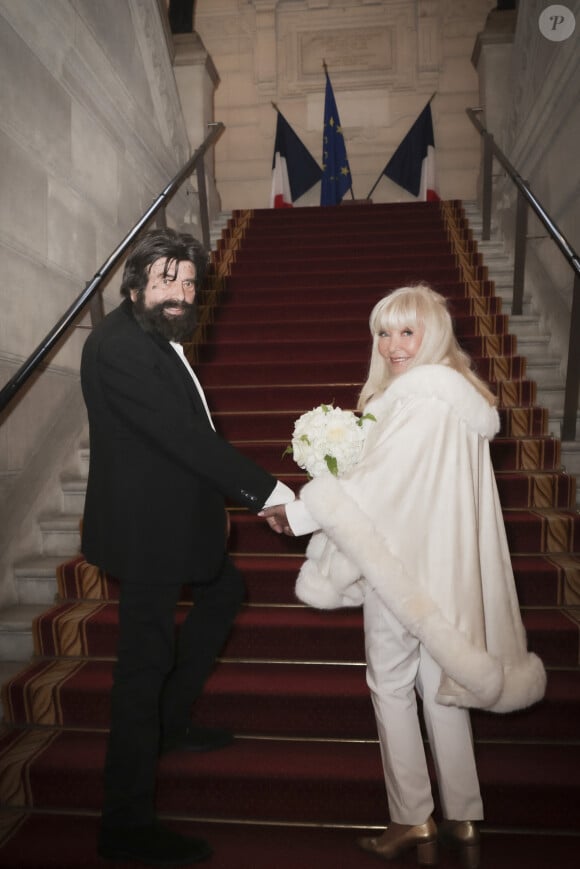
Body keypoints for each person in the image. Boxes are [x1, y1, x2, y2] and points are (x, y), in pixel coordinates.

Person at [261, 284, 546, 867]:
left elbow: (379, 487)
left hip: (404, 570)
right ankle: (463, 819)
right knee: (442, 690)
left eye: (406, 331)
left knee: (389, 683)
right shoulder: (458, 398)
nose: (393, 345)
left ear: (433, 334)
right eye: (384, 332)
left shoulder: (421, 397)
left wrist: (299, 514)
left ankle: (412, 817)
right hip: (445, 566)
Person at [81, 227, 295, 867]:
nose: (179, 292)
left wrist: (213, 509)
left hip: (173, 520)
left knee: (225, 591)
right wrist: (269, 494)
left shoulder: (159, 335)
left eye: (189, 282)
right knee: (140, 667)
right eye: (166, 278)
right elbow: (185, 439)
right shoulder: (119, 346)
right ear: (135, 283)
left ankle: (172, 722)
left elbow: (180, 438)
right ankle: (124, 825)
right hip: (145, 534)